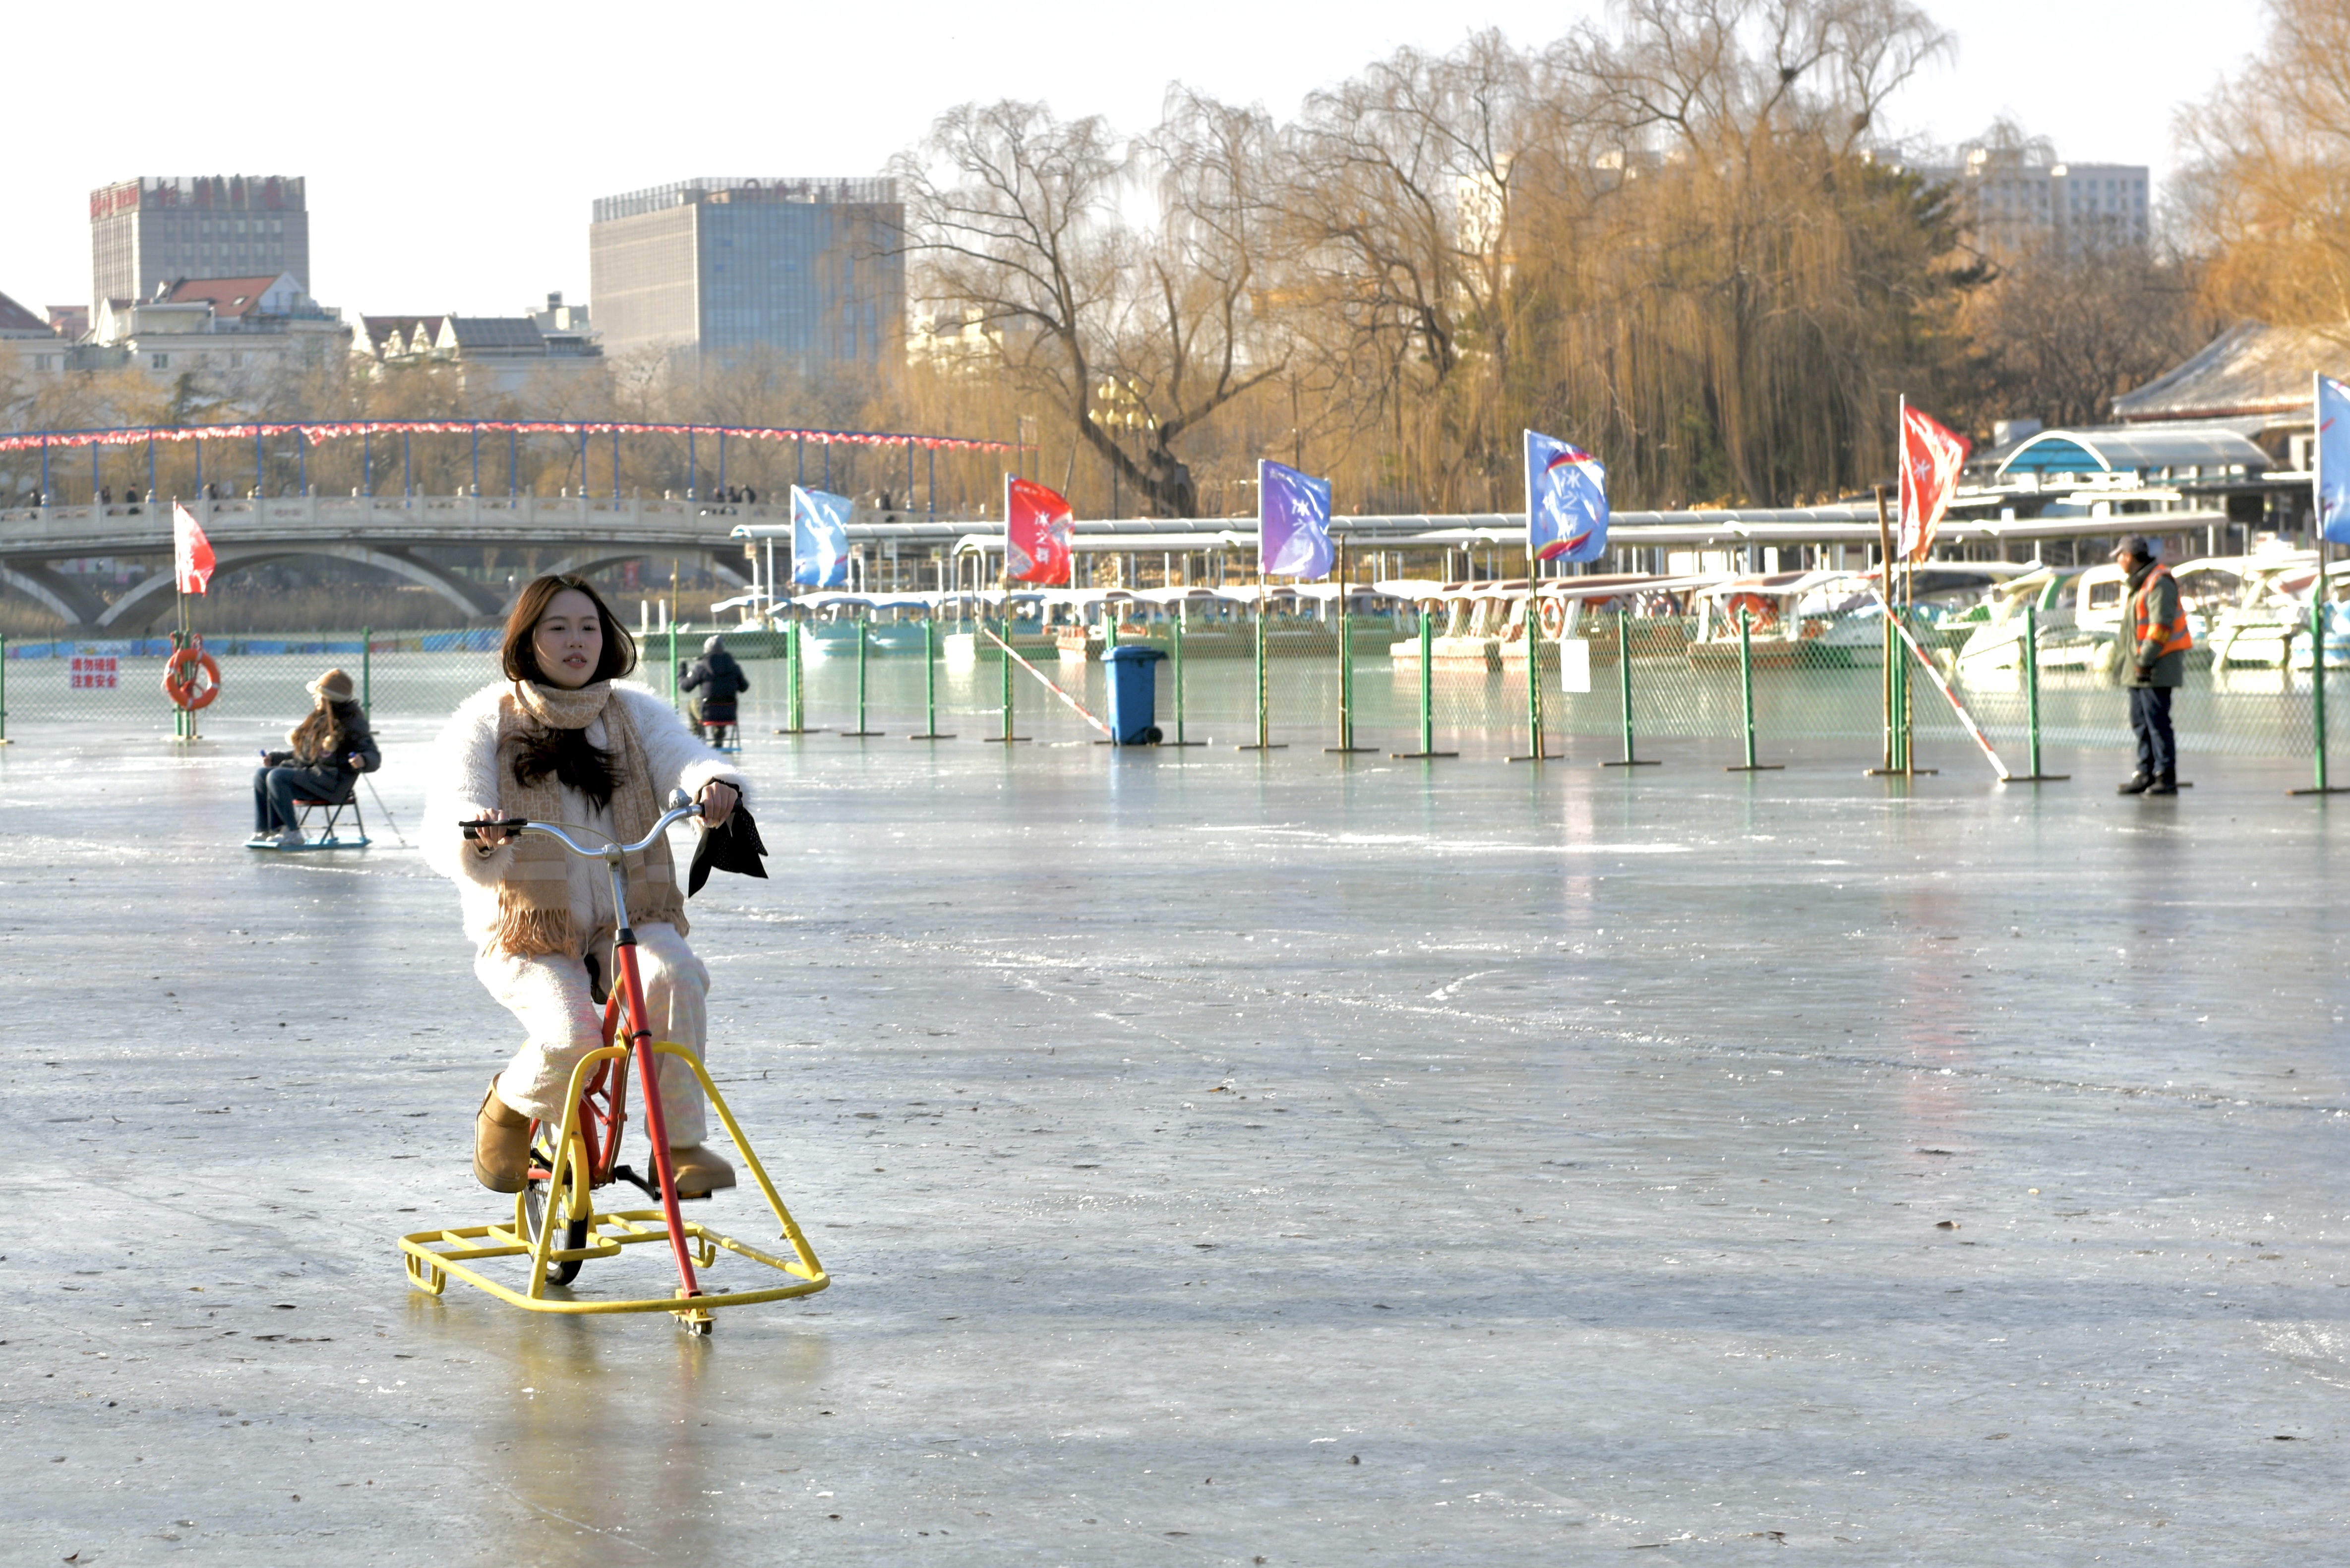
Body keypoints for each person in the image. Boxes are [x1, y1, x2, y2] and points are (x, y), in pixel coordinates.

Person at [422, 573, 745, 1198]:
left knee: (678, 975)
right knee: (573, 1038)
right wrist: (478, 833)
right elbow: (452, 807)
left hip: (628, 912)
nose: (578, 641)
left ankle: (678, 1146)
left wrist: (710, 782)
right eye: (559, 628)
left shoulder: (633, 711)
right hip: (526, 930)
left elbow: (681, 755)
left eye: (589, 627)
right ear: (528, 639)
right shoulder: (486, 718)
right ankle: (508, 1108)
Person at [249, 669, 379, 847]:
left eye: (318, 695)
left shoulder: (352, 723)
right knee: (262, 774)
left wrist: (363, 760)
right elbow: (305, 755)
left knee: (277, 777)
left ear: (330, 698)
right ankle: (268, 830)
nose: (315, 698)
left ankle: (292, 832)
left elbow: (373, 755)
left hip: (333, 783)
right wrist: (277, 759)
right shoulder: (319, 720)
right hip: (314, 776)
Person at [2114, 534, 2192, 796]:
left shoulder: (2159, 581)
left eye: (2120, 555)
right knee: (2141, 722)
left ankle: (2165, 775)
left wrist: (2144, 660)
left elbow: (2161, 627)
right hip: (2140, 669)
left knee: (2157, 722)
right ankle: (2145, 772)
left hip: (2155, 668)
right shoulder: (2140, 584)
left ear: (2130, 557)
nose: (2118, 560)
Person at [680, 634, 750, 747]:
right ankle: (719, 739)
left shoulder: (701, 667)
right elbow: (744, 687)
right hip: (729, 714)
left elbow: (686, 687)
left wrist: (682, 672)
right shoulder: (734, 667)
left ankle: (699, 741)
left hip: (707, 713)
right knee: (722, 701)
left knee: (692, 704)